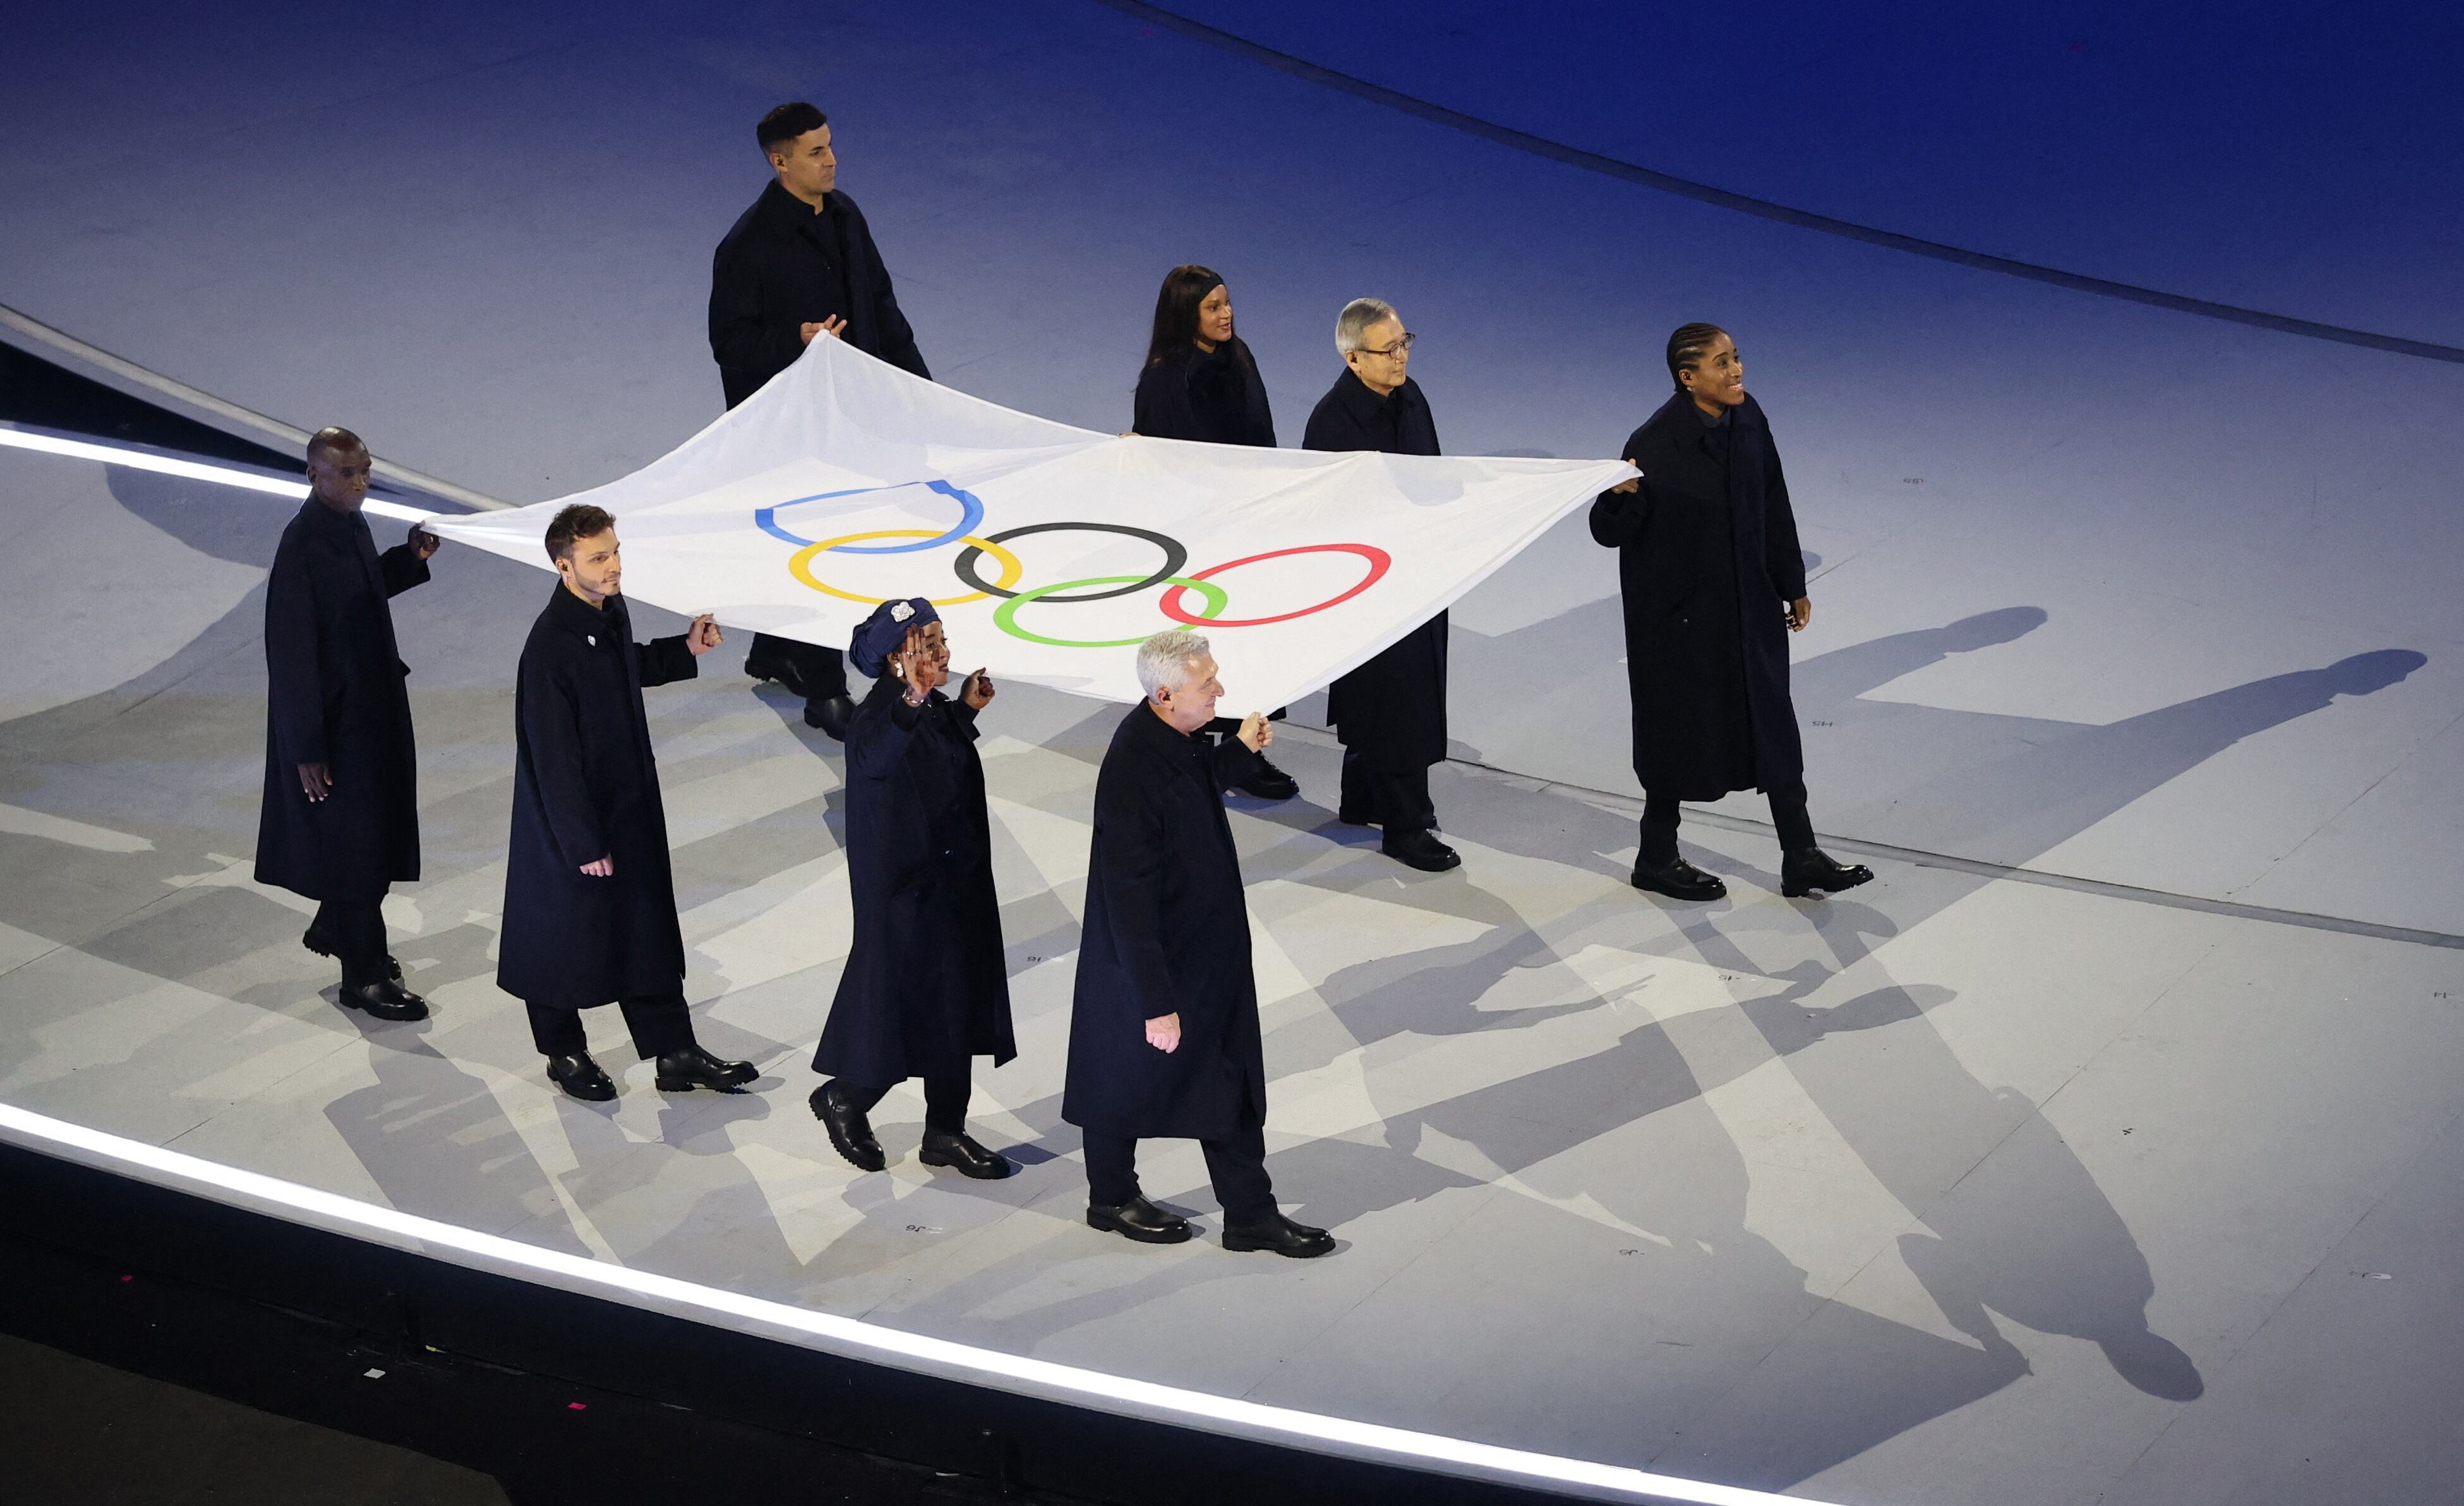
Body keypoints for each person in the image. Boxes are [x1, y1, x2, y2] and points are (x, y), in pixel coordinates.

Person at [1062, 630, 1333, 1258]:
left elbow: (1194, 783)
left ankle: (1224, 1210)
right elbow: (1127, 893)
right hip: (1161, 963)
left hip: (1198, 954)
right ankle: (1145, 1201)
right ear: (1164, 693)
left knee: (1183, 1074)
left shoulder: (1170, 741)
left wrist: (1237, 751)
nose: (1220, 689)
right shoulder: (1133, 767)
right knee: (1150, 1078)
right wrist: (1156, 1002)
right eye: (1206, 682)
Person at [1589, 324, 1873, 901]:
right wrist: (1612, 498)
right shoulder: (1655, 443)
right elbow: (1607, 532)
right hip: (1681, 624)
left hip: (1748, 610)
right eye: (1722, 363)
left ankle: (1801, 855)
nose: (1737, 370)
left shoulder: (1749, 418)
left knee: (1773, 728)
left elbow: (1773, 500)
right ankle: (1656, 856)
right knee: (1677, 734)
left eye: (1737, 358)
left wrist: (1791, 582)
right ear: (1687, 377)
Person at [500, 505, 757, 1100]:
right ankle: (563, 1052)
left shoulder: (606, 609)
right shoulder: (547, 649)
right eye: (598, 557)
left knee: (645, 928)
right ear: (565, 566)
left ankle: (674, 1051)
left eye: (615, 551)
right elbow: (552, 757)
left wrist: (682, 650)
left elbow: (619, 668)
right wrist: (584, 843)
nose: (614, 566)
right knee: (564, 938)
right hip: (574, 825)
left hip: (626, 806)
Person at [711, 100, 930, 740]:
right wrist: (795, 339)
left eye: (830, 145)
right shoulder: (747, 245)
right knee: (818, 548)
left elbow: (882, 306)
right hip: (792, 435)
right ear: (780, 162)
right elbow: (731, 342)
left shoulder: (846, 216)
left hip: (855, 417)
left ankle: (777, 650)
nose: (831, 159)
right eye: (814, 151)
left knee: (848, 536)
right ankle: (825, 689)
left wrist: (921, 393)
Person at [808, 598, 1018, 1178]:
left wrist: (966, 710)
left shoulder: (929, 709)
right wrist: (915, 697)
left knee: (956, 1004)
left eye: (942, 639)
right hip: (906, 894)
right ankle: (846, 1097)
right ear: (901, 657)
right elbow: (879, 756)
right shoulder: (879, 717)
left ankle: (945, 1132)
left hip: (951, 883)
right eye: (930, 643)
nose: (945, 651)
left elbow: (936, 752)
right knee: (903, 1006)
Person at [255, 426, 439, 1021]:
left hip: (371, 711)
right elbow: (289, 657)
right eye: (346, 473)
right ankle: (362, 978)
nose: (359, 482)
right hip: (335, 728)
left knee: (371, 835)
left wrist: (408, 561)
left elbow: (360, 594)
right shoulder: (301, 547)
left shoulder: (349, 524)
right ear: (313, 474)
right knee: (357, 850)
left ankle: (339, 927)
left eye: (364, 470)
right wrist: (306, 749)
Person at [1128, 265, 1298, 802]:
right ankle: (1212, 755)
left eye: (1226, 303)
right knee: (1208, 645)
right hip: (1200, 533)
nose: (1226, 314)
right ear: (1186, 315)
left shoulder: (1237, 355)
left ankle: (1246, 749)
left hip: (1249, 520)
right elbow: (1163, 465)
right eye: (1212, 307)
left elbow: (1261, 434)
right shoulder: (1164, 378)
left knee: (1252, 637)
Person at [1302, 298, 1458, 872]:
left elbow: (1433, 472)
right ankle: (1406, 826)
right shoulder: (1332, 424)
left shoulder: (1410, 397)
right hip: (1371, 583)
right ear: (1352, 358)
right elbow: (1327, 519)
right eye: (1387, 349)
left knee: (1401, 695)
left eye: (1404, 342)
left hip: (1418, 570)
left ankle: (1361, 797)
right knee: (1397, 703)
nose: (1401, 356)